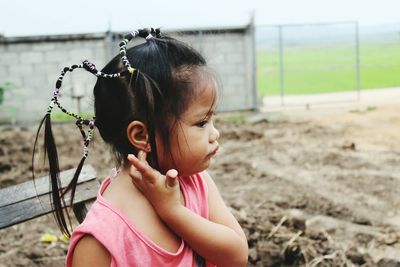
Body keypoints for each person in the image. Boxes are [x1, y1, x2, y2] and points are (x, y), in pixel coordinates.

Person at [34, 28, 248, 267]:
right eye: (201, 123)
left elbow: (236, 257)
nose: (215, 133)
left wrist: (173, 211)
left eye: (212, 119)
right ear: (141, 135)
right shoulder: (101, 240)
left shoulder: (196, 182)